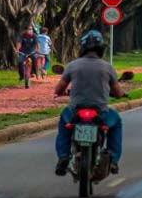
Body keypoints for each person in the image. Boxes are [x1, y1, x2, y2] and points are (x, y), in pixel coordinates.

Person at [54, 30, 127, 176]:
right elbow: (118, 92)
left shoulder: (72, 65)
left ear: (82, 47)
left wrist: (61, 92)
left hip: (75, 111)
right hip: (101, 112)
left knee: (64, 122)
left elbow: (59, 88)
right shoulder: (108, 67)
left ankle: (63, 156)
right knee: (116, 122)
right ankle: (113, 158)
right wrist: (122, 94)